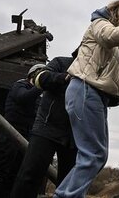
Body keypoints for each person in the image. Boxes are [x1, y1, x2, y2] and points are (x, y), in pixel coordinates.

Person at [53, 0, 119, 198]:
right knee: (93, 154)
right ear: (117, 13)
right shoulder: (99, 24)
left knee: (96, 155)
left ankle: (64, 194)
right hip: (86, 90)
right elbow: (109, 36)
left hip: (96, 95)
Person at [10, 53, 78, 198]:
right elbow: (41, 77)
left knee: (67, 183)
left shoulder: (96, 72)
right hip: (46, 128)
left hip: (74, 135)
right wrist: (63, 77)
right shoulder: (61, 62)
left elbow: (111, 99)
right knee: (29, 176)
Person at [0, 63, 45, 198]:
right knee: (3, 170)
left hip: (28, 134)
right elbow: (23, 98)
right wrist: (41, 86)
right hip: (12, 131)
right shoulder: (20, 85)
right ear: (33, 75)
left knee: (16, 173)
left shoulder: (39, 96)